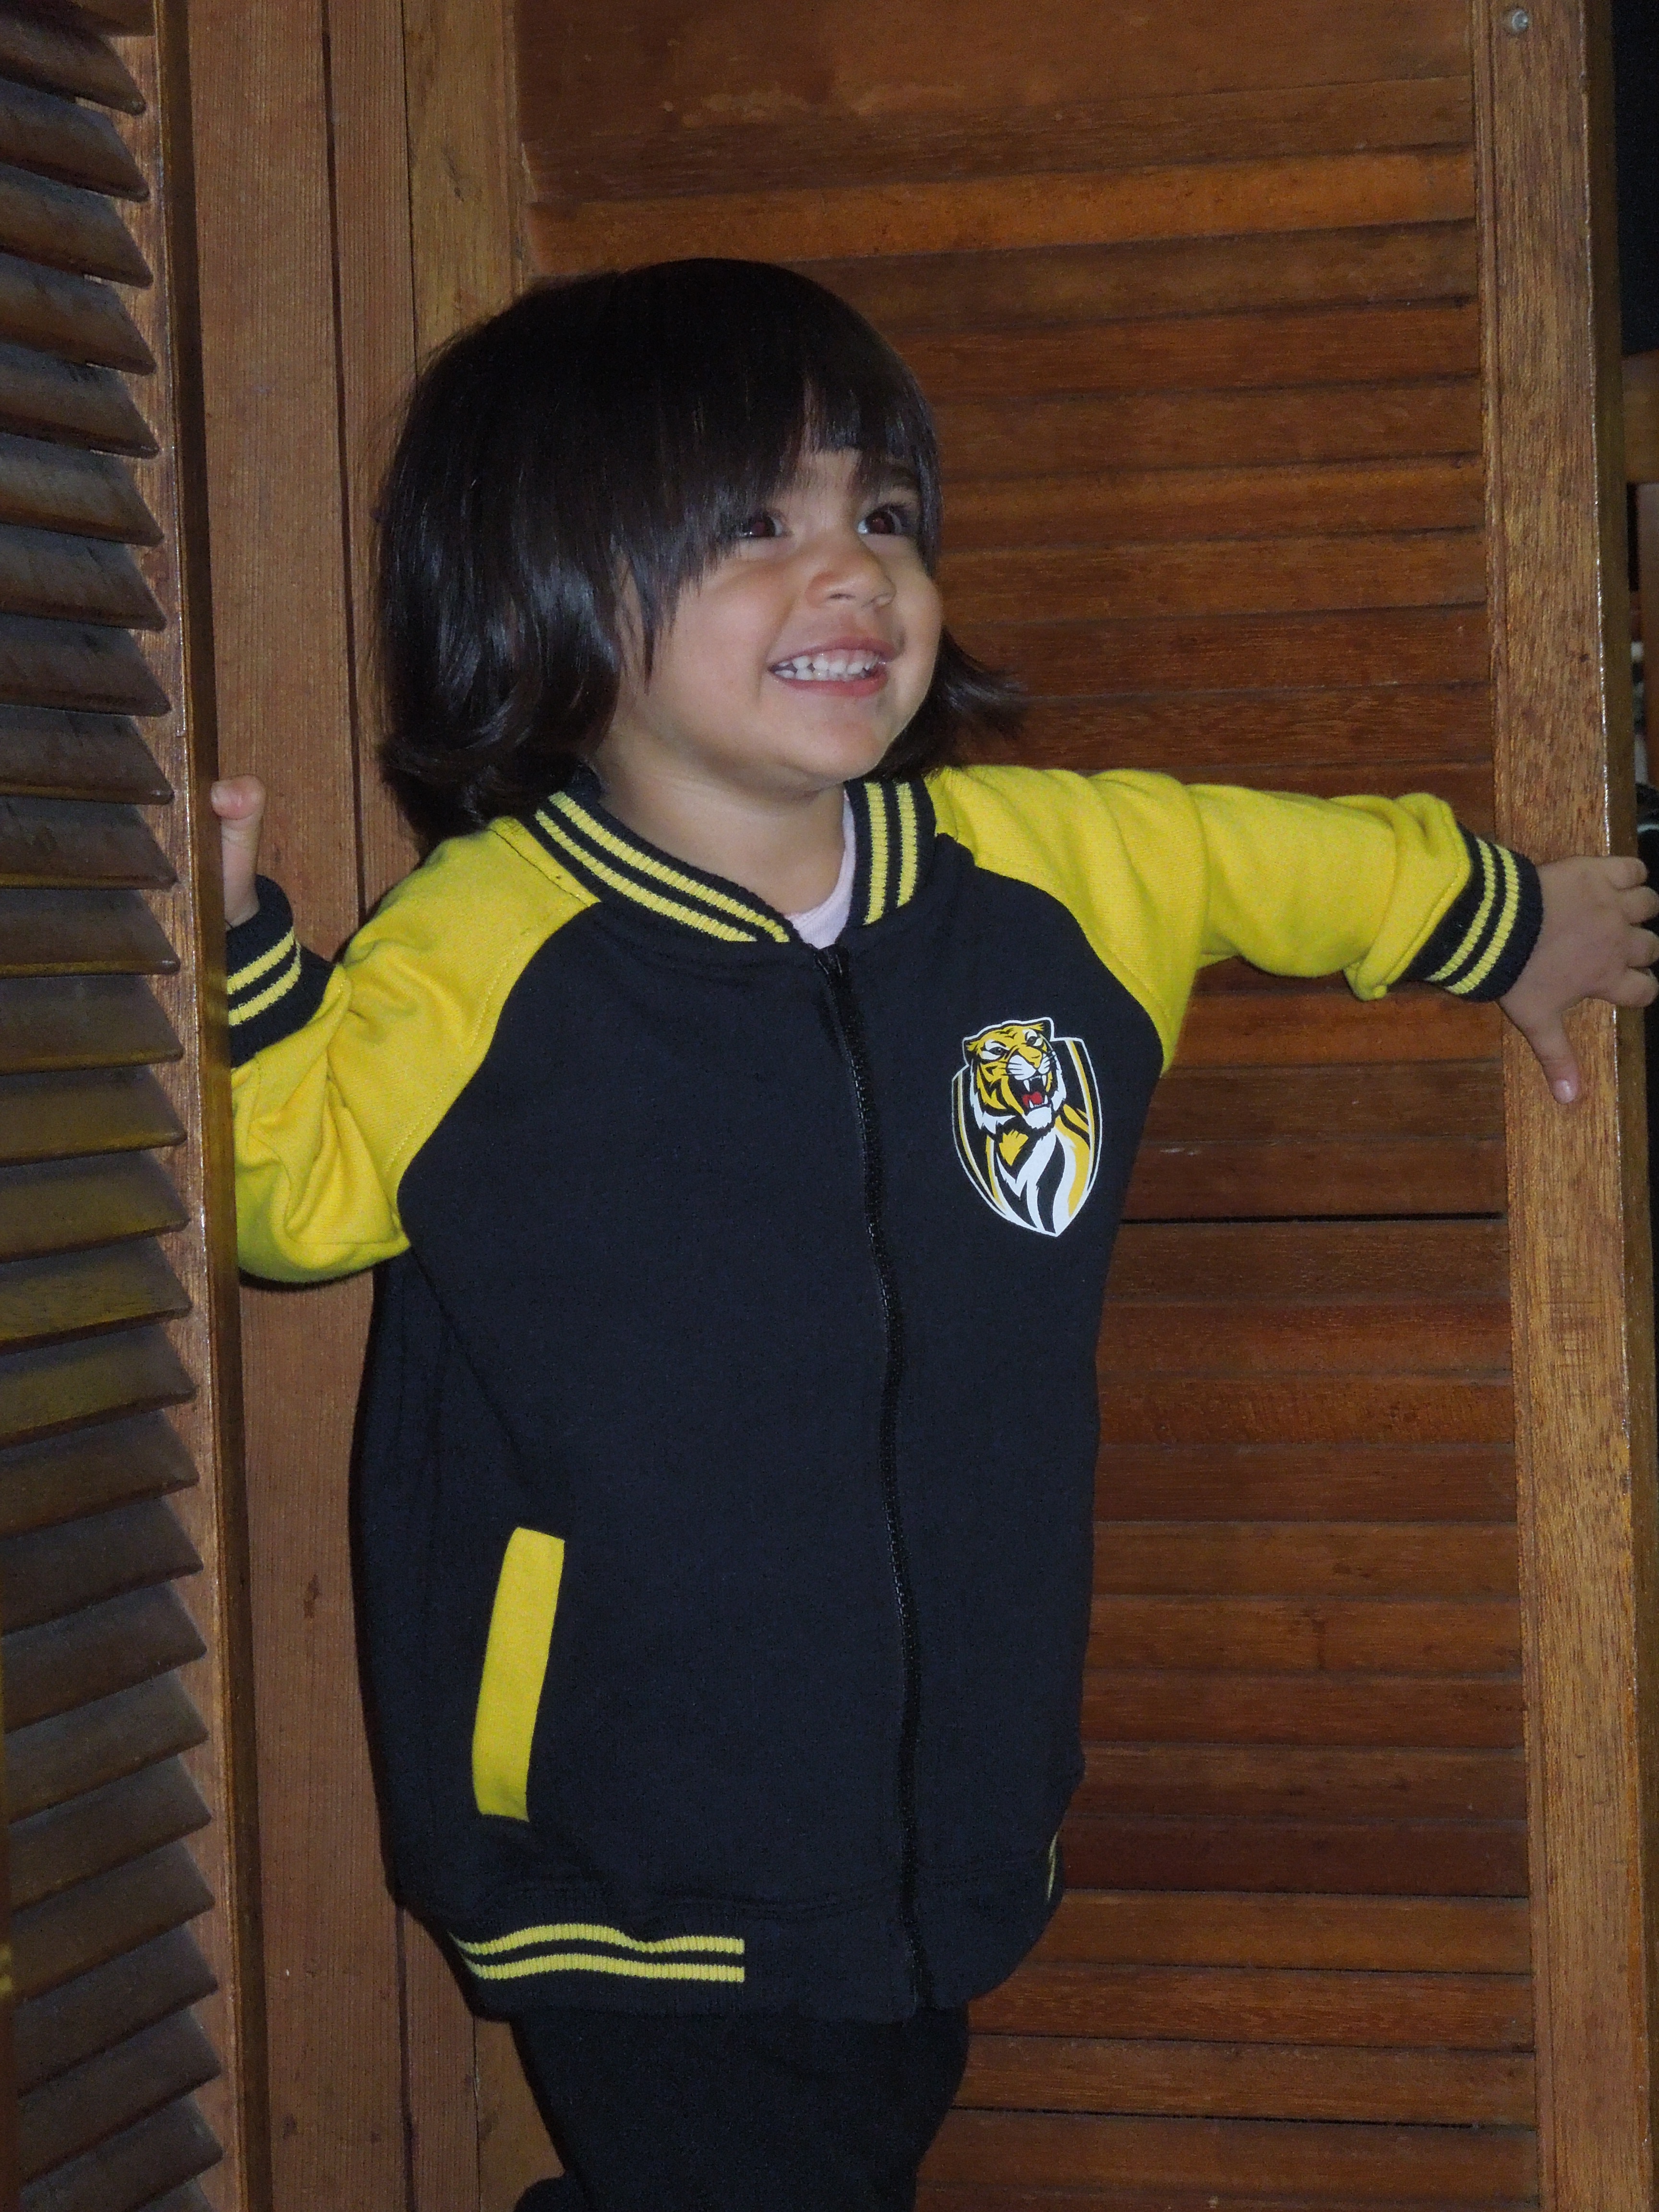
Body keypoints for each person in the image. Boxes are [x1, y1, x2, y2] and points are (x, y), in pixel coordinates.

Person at [212, 259, 1658, 2212]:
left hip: (949, 1804)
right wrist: (232, 962)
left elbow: (1281, 861)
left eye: (883, 514)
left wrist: (1510, 924)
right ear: (549, 588)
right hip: (633, 1811)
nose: (854, 573)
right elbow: (295, 1200)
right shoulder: (489, 943)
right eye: (757, 525)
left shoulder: (1043, 875)